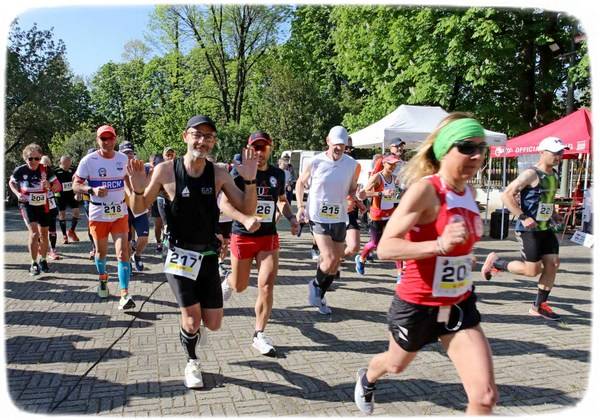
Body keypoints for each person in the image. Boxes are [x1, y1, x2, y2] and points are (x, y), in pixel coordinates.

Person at [354, 113, 497, 415]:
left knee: (484, 397)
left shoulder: (470, 193)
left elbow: (455, 246)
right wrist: (439, 245)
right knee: (395, 365)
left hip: (458, 303)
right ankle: (367, 378)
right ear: (445, 149)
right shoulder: (426, 191)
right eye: (466, 147)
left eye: (480, 148)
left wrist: (464, 255)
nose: (476, 155)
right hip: (417, 304)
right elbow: (386, 247)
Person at [127, 114, 258, 388]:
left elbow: (247, 209)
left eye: (208, 137)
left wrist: (250, 180)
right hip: (178, 254)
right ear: (185, 136)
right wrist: (138, 190)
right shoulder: (166, 170)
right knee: (191, 318)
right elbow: (139, 208)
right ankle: (192, 362)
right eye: (197, 135)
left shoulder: (219, 173)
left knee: (213, 323)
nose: (203, 141)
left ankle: (194, 329)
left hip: (208, 253)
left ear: (213, 142)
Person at [221, 131, 299, 356]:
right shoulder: (238, 172)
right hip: (243, 236)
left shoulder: (278, 174)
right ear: (248, 150)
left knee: (266, 285)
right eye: (255, 148)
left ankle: (259, 333)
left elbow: (282, 201)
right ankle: (228, 281)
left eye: (263, 148)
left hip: (268, 237)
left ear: (270, 149)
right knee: (240, 286)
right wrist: (244, 219)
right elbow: (224, 204)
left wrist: (292, 218)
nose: (259, 153)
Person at [481, 136, 569, 321]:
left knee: (553, 264)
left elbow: (546, 201)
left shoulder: (554, 175)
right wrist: (523, 216)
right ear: (542, 152)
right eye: (555, 152)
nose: (559, 156)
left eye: (561, 152)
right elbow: (507, 195)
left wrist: (553, 214)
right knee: (531, 271)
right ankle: (497, 262)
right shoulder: (531, 174)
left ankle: (539, 306)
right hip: (529, 230)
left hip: (546, 228)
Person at [295, 125, 362, 315]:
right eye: (336, 145)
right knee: (329, 257)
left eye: (342, 145)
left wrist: (355, 196)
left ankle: (320, 294)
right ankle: (315, 286)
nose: (339, 149)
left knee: (335, 262)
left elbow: (351, 189)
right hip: (318, 215)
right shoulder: (316, 162)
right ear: (328, 142)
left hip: (339, 215)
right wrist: (300, 207)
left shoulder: (352, 164)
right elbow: (300, 182)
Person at [73, 125, 135, 311]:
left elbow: (128, 181)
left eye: (110, 138)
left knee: (123, 253)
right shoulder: (88, 161)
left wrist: (135, 197)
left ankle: (124, 294)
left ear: (115, 139)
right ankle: (102, 279)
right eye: (103, 138)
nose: (107, 142)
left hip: (119, 214)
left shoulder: (123, 158)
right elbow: (76, 185)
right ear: (97, 140)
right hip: (98, 214)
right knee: (101, 253)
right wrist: (91, 190)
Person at [9, 144, 62, 275]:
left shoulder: (46, 170)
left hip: (43, 205)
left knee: (44, 233)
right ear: (25, 158)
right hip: (27, 204)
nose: (33, 161)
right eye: (30, 158)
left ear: (40, 158)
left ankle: (43, 260)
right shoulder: (20, 170)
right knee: (34, 233)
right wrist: (17, 194)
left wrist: (50, 185)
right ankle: (33, 263)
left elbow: (58, 187)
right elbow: (11, 182)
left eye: (36, 158)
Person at [355, 154, 401, 275]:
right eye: (390, 164)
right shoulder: (377, 177)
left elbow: (395, 196)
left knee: (395, 242)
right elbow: (362, 194)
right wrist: (381, 193)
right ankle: (361, 259)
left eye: (395, 164)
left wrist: (399, 195)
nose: (393, 166)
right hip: (377, 216)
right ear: (384, 163)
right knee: (374, 244)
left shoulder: (395, 178)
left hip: (390, 215)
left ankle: (400, 273)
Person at [119, 141, 150, 273]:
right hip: (124, 208)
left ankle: (136, 255)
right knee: (125, 240)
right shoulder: (116, 168)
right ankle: (127, 263)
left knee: (143, 238)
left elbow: (147, 184)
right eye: (125, 153)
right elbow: (125, 187)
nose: (129, 155)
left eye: (130, 152)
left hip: (140, 207)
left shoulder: (140, 166)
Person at [54, 155, 82, 244]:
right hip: (60, 195)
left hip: (71, 194)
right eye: (65, 162)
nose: (67, 164)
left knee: (77, 212)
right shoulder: (56, 171)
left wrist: (79, 192)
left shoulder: (73, 170)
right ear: (61, 162)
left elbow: (79, 181)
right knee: (62, 214)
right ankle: (64, 235)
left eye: (69, 162)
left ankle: (71, 231)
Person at [40, 155, 61, 260]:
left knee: (52, 227)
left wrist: (50, 186)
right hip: (39, 204)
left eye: (47, 164)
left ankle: (53, 249)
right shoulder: (34, 172)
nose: (45, 167)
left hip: (51, 202)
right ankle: (42, 247)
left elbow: (58, 187)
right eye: (43, 164)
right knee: (41, 229)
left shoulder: (51, 172)